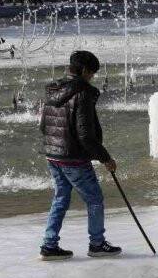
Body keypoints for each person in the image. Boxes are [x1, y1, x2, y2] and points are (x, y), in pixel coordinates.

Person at [39, 50, 122, 261]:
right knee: (94, 199)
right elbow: (85, 135)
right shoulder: (83, 93)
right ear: (84, 71)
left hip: (52, 155)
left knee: (60, 199)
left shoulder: (52, 89)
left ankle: (49, 245)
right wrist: (106, 158)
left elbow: (43, 126)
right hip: (73, 158)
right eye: (92, 73)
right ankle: (97, 244)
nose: (92, 77)